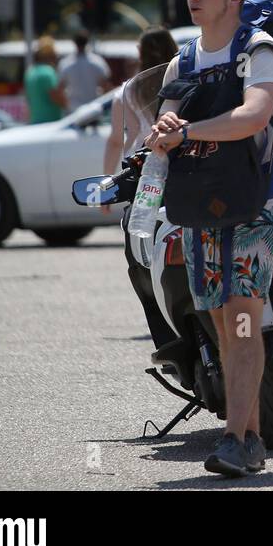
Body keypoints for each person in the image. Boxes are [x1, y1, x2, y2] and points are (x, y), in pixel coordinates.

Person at [146, 0, 273, 477]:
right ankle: (247, 439)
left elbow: (253, 116)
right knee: (224, 325)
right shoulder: (185, 59)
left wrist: (188, 132)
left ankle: (237, 436)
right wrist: (164, 133)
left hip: (254, 203)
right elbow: (165, 118)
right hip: (199, 205)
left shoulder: (260, 51)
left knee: (244, 319)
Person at [102, 26, 179, 350]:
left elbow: (118, 139)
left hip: (144, 175)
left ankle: (159, 315)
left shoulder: (127, 93)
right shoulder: (183, 79)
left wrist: (106, 185)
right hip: (177, 165)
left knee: (140, 246)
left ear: (140, 54)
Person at [59, 30, 112, 111]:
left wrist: (66, 105)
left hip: (73, 110)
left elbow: (60, 89)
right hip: (92, 109)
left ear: (74, 43)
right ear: (87, 42)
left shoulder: (66, 63)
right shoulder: (97, 62)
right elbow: (105, 87)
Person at [25, 37, 66, 124]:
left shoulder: (30, 72)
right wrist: (70, 107)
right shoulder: (48, 72)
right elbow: (55, 96)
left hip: (35, 121)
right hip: (50, 123)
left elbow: (28, 98)